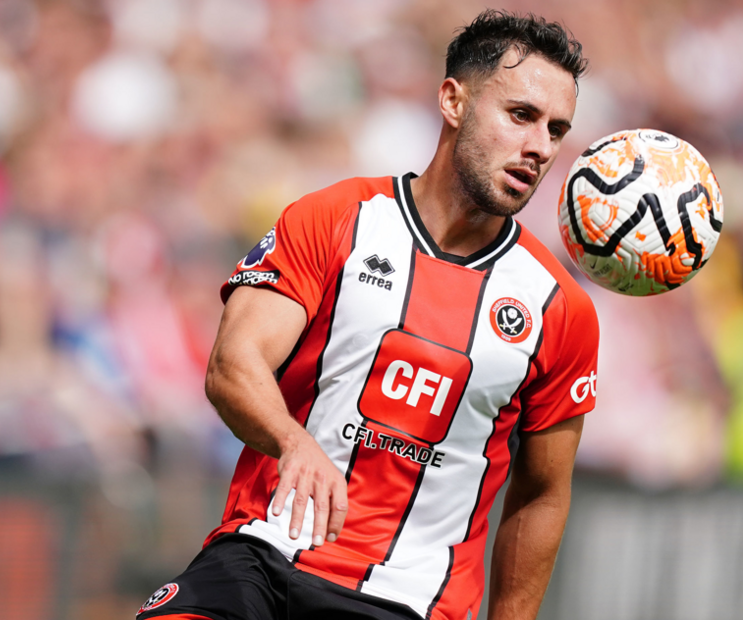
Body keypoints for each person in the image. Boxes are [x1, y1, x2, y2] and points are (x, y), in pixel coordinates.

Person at [136, 10, 598, 620]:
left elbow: (542, 495)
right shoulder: (332, 220)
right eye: (520, 116)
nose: (539, 146)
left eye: (556, 129)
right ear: (453, 101)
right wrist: (290, 440)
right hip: (261, 555)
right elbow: (232, 364)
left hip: (407, 601)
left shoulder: (558, 307)